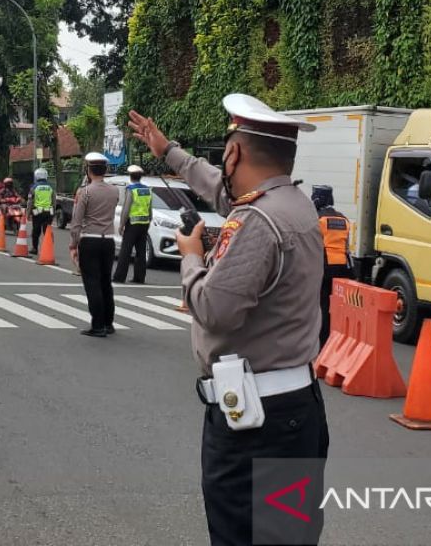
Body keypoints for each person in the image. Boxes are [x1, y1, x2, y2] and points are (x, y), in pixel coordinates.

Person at [128, 94, 329, 546]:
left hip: (255, 425)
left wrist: (192, 259)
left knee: (239, 536)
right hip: (293, 408)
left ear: (234, 152)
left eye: (227, 152)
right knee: (286, 537)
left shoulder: (257, 221)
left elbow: (215, 310)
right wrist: (167, 151)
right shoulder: (293, 204)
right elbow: (220, 188)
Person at [69, 152, 119, 337]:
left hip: (90, 240)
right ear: (105, 170)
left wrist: (73, 244)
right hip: (108, 241)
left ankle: (97, 325)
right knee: (106, 282)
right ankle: (108, 323)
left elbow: (76, 221)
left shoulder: (86, 192)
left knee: (92, 283)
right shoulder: (114, 191)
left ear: (88, 171)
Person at [312, 185, 352, 348]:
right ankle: (340, 341)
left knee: (322, 306)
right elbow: (347, 246)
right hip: (342, 268)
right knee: (340, 307)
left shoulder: (318, 219)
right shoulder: (343, 219)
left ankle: (323, 342)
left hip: (324, 268)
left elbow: (313, 245)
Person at [113, 165, 152, 285]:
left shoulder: (131, 189)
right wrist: (149, 221)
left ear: (130, 176)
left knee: (125, 251)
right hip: (144, 224)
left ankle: (119, 277)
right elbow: (150, 208)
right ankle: (139, 278)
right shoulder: (147, 189)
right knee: (141, 252)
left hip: (133, 223)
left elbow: (126, 208)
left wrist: (121, 224)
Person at [28, 167, 55, 258]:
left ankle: (35, 248)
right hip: (48, 212)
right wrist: (53, 212)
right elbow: (54, 201)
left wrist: (28, 213)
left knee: (36, 230)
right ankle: (49, 248)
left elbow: (30, 202)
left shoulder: (34, 187)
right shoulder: (50, 187)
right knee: (47, 231)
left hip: (37, 211)